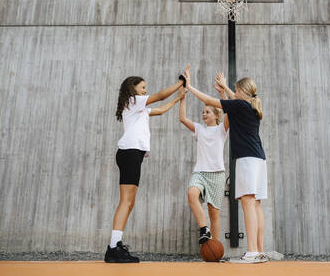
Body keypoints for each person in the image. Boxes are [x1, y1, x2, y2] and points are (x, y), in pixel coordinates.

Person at [185, 67, 269, 263]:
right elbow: (235, 101)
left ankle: (251, 252)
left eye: (235, 89)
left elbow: (213, 101)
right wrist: (225, 90)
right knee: (256, 205)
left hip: (247, 159)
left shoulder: (240, 105)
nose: (234, 92)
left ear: (242, 92)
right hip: (259, 159)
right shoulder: (252, 106)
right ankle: (259, 250)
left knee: (248, 202)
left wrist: (190, 87)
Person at [104, 67, 188, 263]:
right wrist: (181, 82)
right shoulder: (133, 101)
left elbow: (159, 109)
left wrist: (178, 99)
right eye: (142, 87)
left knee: (129, 202)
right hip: (130, 153)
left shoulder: (137, 107)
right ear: (132, 88)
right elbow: (159, 96)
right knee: (126, 201)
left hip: (132, 153)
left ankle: (115, 245)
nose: (144, 90)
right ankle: (113, 248)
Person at [178, 84, 229, 245]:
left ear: (216, 115)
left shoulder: (222, 129)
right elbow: (182, 118)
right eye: (203, 112)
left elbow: (229, 111)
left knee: (214, 213)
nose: (203, 114)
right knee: (192, 193)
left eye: (207, 112)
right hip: (200, 172)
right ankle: (203, 229)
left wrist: (222, 94)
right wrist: (183, 96)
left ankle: (216, 248)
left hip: (217, 174)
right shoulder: (199, 129)